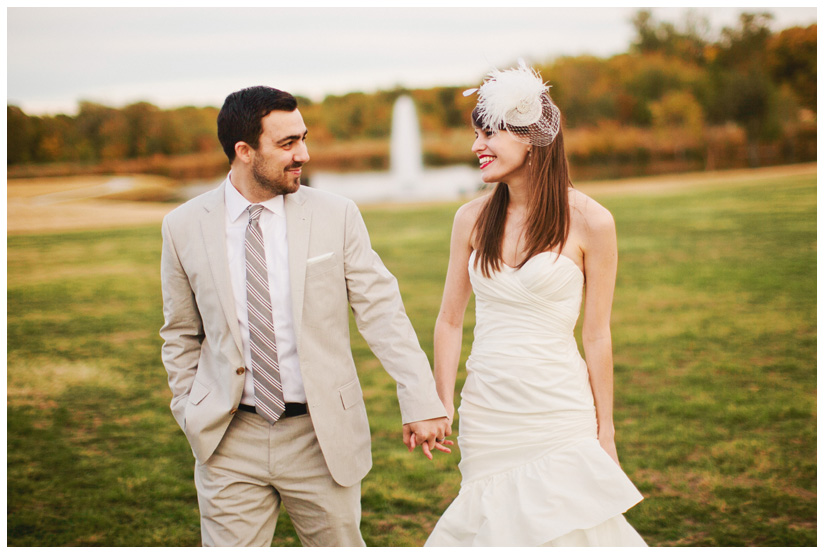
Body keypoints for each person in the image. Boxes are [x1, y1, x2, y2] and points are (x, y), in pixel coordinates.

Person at [159, 85, 451, 547]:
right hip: (229, 439)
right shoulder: (182, 226)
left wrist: (420, 399)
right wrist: (189, 409)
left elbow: (382, 312)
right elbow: (179, 332)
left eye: (304, 138)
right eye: (287, 143)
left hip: (321, 437)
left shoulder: (337, 214)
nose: (304, 154)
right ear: (243, 151)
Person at [425, 62, 647, 547]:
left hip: (558, 410)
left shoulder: (592, 222)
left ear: (530, 139)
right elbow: (448, 319)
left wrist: (605, 432)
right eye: (476, 134)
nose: (476, 146)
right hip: (488, 412)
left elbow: (597, 334)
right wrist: (442, 400)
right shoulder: (470, 219)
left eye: (489, 134)